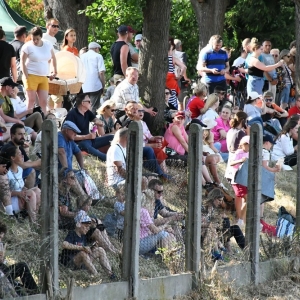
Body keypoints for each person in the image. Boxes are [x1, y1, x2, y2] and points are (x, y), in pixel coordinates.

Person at [61, 210, 116, 279]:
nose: (88, 229)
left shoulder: (83, 236)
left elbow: (85, 248)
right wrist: (81, 248)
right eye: (86, 226)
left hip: (84, 262)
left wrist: (92, 248)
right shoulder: (72, 234)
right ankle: (96, 276)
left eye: (89, 227)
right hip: (72, 263)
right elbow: (64, 244)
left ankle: (110, 274)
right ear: (78, 224)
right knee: (82, 253)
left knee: (100, 250)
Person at [65, 93, 113, 161]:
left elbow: (95, 119)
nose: (91, 103)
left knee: (112, 137)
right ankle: (107, 159)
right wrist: (86, 136)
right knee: (86, 146)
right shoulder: (72, 115)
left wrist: (98, 121)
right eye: (89, 101)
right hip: (79, 143)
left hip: (90, 140)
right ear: (83, 103)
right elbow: (70, 137)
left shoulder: (87, 112)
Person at [20, 26, 57, 115]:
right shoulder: (27, 46)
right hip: (31, 75)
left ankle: (43, 120)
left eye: (37, 39)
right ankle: (29, 121)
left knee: (44, 101)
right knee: (31, 100)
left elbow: (53, 57)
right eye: (33, 39)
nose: (35, 41)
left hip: (43, 76)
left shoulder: (48, 44)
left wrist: (54, 70)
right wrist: (25, 74)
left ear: (41, 37)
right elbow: (22, 61)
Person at [0, 145, 41, 222]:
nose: (22, 155)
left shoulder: (20, 169)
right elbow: (4, 194)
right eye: (19, 154)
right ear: (12, 158)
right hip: (12, 201)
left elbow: (20, 186)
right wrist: (18, 193)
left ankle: (35, 217)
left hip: (20, 198)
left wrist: (23, 189)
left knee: (37, 190)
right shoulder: (5, 173)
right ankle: (33, 222)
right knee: (31, 193)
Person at [201, 188, 245, 259]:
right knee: (224, 221)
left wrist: (220, 220)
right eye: (219, 200)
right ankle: (227, 248)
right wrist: (214, 224)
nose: (220, 203)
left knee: (235, 227)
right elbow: (200, 223)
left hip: (216, 232)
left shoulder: (214, 209)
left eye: (221, 201)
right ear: (214, 198)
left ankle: (246, 250)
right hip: (207, 233)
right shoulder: (203, 207)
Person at [0, 222, 38, 295]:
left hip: (3, 271)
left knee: (22, 267)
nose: (0, 240)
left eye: (1, 238)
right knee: (16, 288)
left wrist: (2, 259)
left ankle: (35, 293)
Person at [229, 135, 250, 226]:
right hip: (237, 179)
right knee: (247, 198)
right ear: (243, 144)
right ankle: (240, 219)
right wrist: (241, 160)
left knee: (247, 199)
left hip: (245, 179)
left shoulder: (250, 153)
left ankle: (241, 219)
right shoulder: (239, 152)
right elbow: (231, 163)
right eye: (248, 145)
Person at [81, 42, 106, 114]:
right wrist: (103, 85)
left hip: (84, 85)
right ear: (96, 48)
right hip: (95, 85)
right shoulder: (98, 56)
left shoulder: (82, 56)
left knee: (85, 106)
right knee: (93, 107)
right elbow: (101, 72)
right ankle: (92, 123)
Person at [166, 38, 187, 110]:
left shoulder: (160, 58)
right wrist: (180, 76)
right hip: (171, 82)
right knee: (172, 100)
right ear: (170, 49)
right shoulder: (173, 59)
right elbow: (183, 67)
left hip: (164, 82)